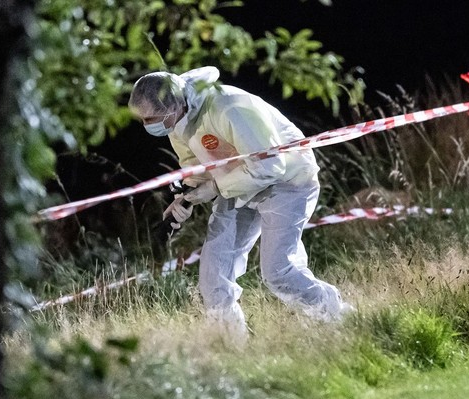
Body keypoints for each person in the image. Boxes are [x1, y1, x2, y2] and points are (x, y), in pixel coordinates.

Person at [128, 66, 353, 341]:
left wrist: (214, 187)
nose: (147, 126)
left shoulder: (229, 106)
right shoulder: (176, 121)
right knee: (213, 277)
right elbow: (195, 165)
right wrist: (185, 197)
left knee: (278, 271)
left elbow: (270, 166)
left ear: (172, 105)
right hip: (236, 188)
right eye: (142, 120)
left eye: (150, 118)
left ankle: (337, 317)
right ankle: (232, 344)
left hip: (287, 182)